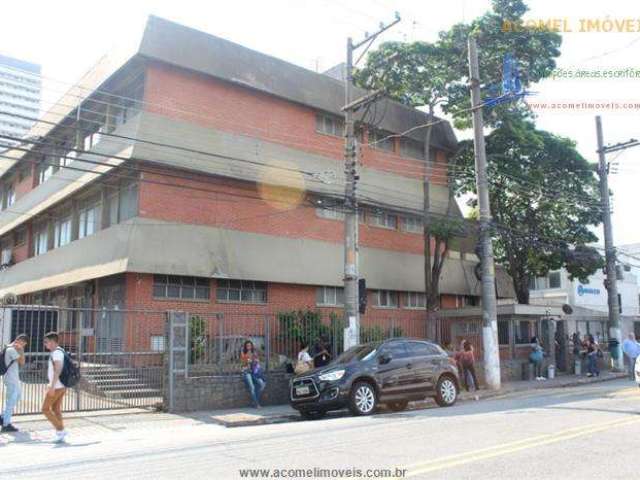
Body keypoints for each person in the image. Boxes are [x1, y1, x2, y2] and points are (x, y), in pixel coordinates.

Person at [42, 332, 68, 442]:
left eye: (46, 342)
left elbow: (58, 369)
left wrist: (52, 386)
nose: (45, 344)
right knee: (56, 409)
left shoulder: (56, 353)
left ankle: (60, 429)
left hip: (57, 386)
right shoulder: (60, 351)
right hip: (61, 385)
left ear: (52, 342)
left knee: (45, 409)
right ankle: (60, 433)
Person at [1, 334, 28, 433]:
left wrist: (20, 350)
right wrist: (21, 350)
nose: (23, 346)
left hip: (14, 379)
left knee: (17, 397)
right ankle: (6, 424)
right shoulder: (11, 350)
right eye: (24, 344)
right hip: (11, 379)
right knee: (11, 401)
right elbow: (22, 362)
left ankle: (3, 417)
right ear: (20, 341)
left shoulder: (11, 348)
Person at [240, 340, 266, 408]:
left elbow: (257, 361)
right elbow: (243, 363)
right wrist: (248, 358)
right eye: (247, 345)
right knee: (252, 387)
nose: (249, 347)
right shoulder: (243, 353)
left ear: (252, 346)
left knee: (262, 384)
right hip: (246, 372)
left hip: (254, 372)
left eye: (250, 345)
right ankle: (256, 404)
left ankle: (255, 401)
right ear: (245, 346)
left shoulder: (254, 353)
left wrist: (255, 360)